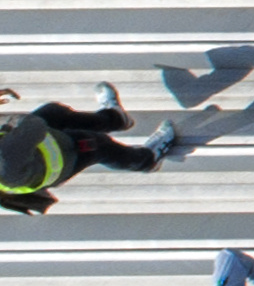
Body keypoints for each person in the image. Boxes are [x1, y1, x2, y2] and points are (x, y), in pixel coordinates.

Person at [4, 85, 166, 216]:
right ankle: (147, 160)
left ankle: (115, 119)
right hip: (61, 159)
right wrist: (11, 121)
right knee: (98, 145)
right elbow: (33, 126)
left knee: (55, 113)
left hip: (29, 151)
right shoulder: (6, 157)